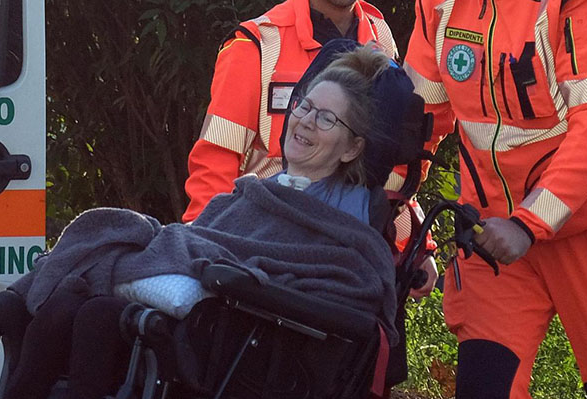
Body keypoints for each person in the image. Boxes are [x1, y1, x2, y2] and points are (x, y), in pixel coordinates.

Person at [0, 47, 397, 399]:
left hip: (235, 348)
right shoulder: (256, 191)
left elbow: (329, 276)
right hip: (201, 313)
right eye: (303, 106)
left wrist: (221, 267)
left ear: (352, 147)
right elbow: (203, 238)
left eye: (326, 119)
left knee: (101, 315)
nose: (304, 122)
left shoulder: (343, 220)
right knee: (62, 298)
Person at [404, 0, 587, 399]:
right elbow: (417, 117)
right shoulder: (436, 5)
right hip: (493, 237)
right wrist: (386, 209)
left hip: (582, 227)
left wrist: (530, 222)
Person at [182, 0, 439, 299]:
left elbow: (394, 164)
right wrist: (201, 259)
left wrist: (418, 247)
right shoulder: (259, 43)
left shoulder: (378, 35)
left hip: (356, 263)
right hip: (265, 255)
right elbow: (214, 162)